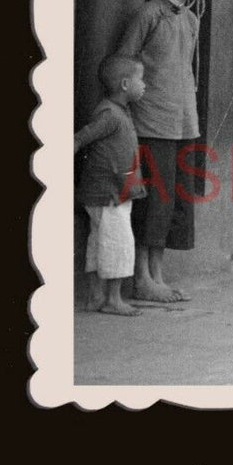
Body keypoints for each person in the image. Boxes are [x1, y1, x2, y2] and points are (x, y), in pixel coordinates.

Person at [118, 0, 206, 302]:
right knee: (153, 199)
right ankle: (142, 278)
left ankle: (157, 275)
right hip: (151, 123)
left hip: (184, 122)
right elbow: (123, 63)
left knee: (172, 201)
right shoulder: (148, 15)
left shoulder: (190, 20)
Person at [74, 55, 148, 317]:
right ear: (126, 84)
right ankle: (113, 299)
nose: (145, 85)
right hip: (109, 194)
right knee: (119, 243)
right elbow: (82, 137)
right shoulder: (111, 115)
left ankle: (96, 296)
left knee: (99, 243)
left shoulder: (118, 112)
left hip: (108, 193)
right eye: (141, 79)